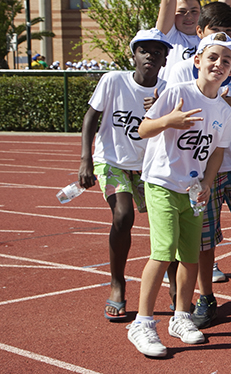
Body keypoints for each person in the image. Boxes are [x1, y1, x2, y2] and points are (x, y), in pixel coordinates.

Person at [127, 32, 231, 357]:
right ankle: (143, 322)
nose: (219, 64)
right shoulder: (177, 92)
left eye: (226, 61)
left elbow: (218, 150)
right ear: (197, 61)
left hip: (192, 189)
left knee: (190, 255)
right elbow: (143, 129)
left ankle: (181, 316)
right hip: (162, 182)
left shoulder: (225, 111)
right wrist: (169, 121)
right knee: (163, 251)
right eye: (213, 57)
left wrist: (208, 181)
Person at [164, 2, 231, 328]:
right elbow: (168, 117)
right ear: (200, 36)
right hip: (198, 172)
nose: (224, 40)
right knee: (204, 241)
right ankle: (205, 296)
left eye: (230, 34)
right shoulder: (178, 72)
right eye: (216, 33)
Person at [78, 28, 170, 321]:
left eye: (157, 53)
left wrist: (160, 113)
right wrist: (85, 161)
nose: (150, 57)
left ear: (164, 60)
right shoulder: (113, 81)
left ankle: (178, 291)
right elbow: (91, 117)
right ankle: (117, 283)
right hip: (112, 161)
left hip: (150, 165)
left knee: (168, 223)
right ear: (134, 55)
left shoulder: (168, 90)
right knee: (122, 215)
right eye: (144, 51)